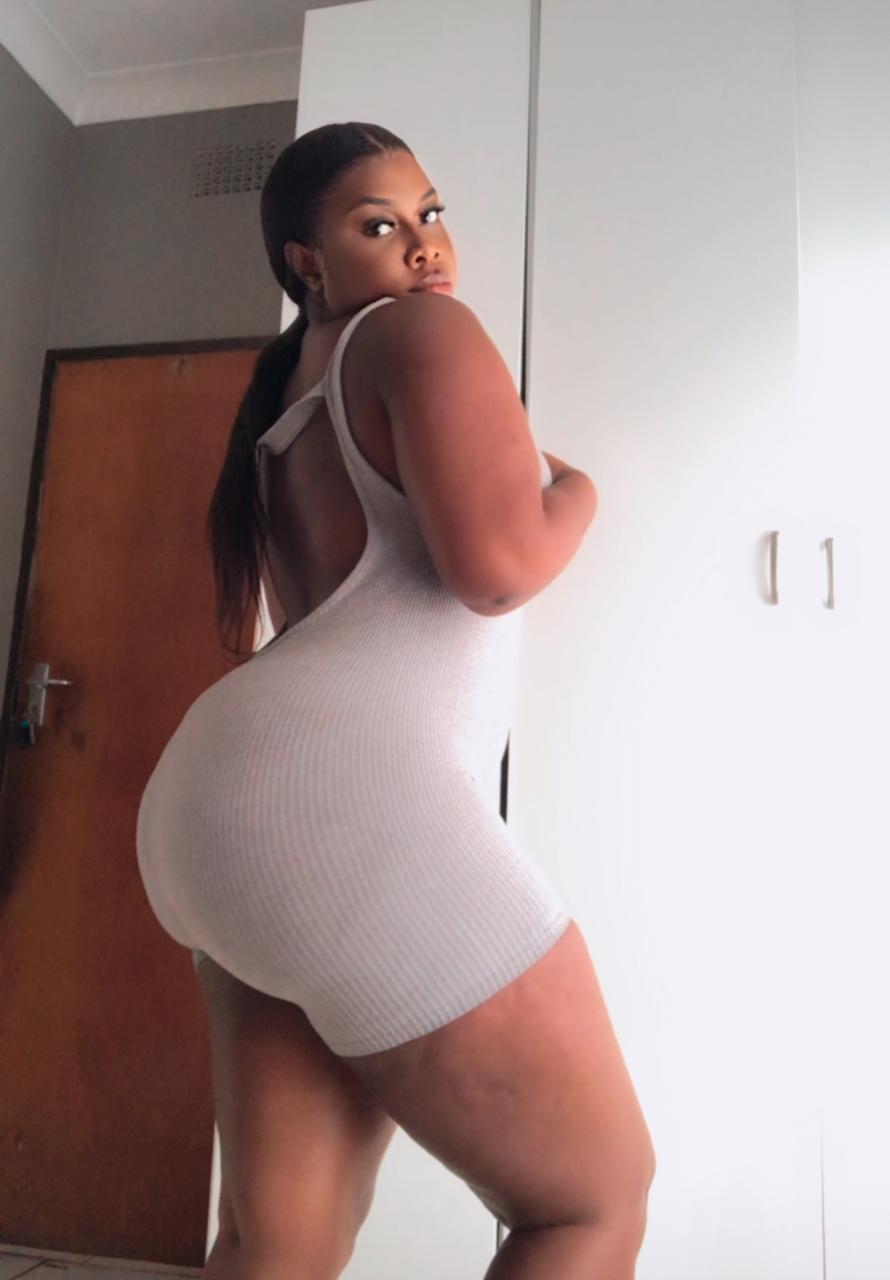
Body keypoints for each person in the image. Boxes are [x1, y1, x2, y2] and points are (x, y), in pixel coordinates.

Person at [136, 120, 655, 1280]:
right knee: (588, 1202)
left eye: (431, 214)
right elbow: (497, 567)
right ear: (306, 262)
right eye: (379, 224)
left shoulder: (282, 410)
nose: (423, 245)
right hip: (341, 805)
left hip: (213, 815)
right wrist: (575, 490)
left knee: (277, 1241)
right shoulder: (419, 331)